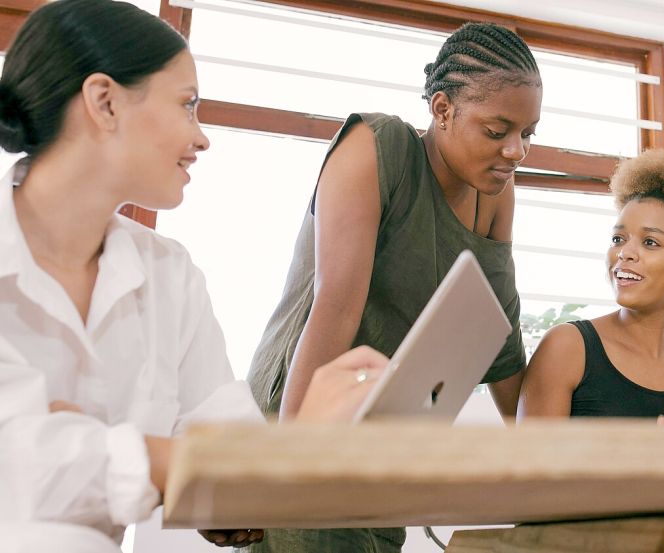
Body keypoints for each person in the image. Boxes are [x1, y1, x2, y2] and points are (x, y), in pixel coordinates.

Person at [0, 1, 388, 551]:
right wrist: (160, 461)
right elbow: (24, 463)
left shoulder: (170, 276)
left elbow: (233, 473)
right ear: (104, 102)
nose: (202, 137)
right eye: (187, 106)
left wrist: (300, 447)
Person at [244, 21, 542, 553]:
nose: (516, 151)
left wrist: (553, 462)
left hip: (385, 439)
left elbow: (502, 335)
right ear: (443, 109)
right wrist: (284, 466)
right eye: (498, 132)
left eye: (528, 134)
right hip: (302, 414)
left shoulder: (496, 192)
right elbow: (335, 309)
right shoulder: (375, 147)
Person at [517, 149, 664, 553]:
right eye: (618, 238)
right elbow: (526, 498)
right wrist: (655, 476)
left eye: (650, 242)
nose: (625, 252)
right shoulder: (568, 349)